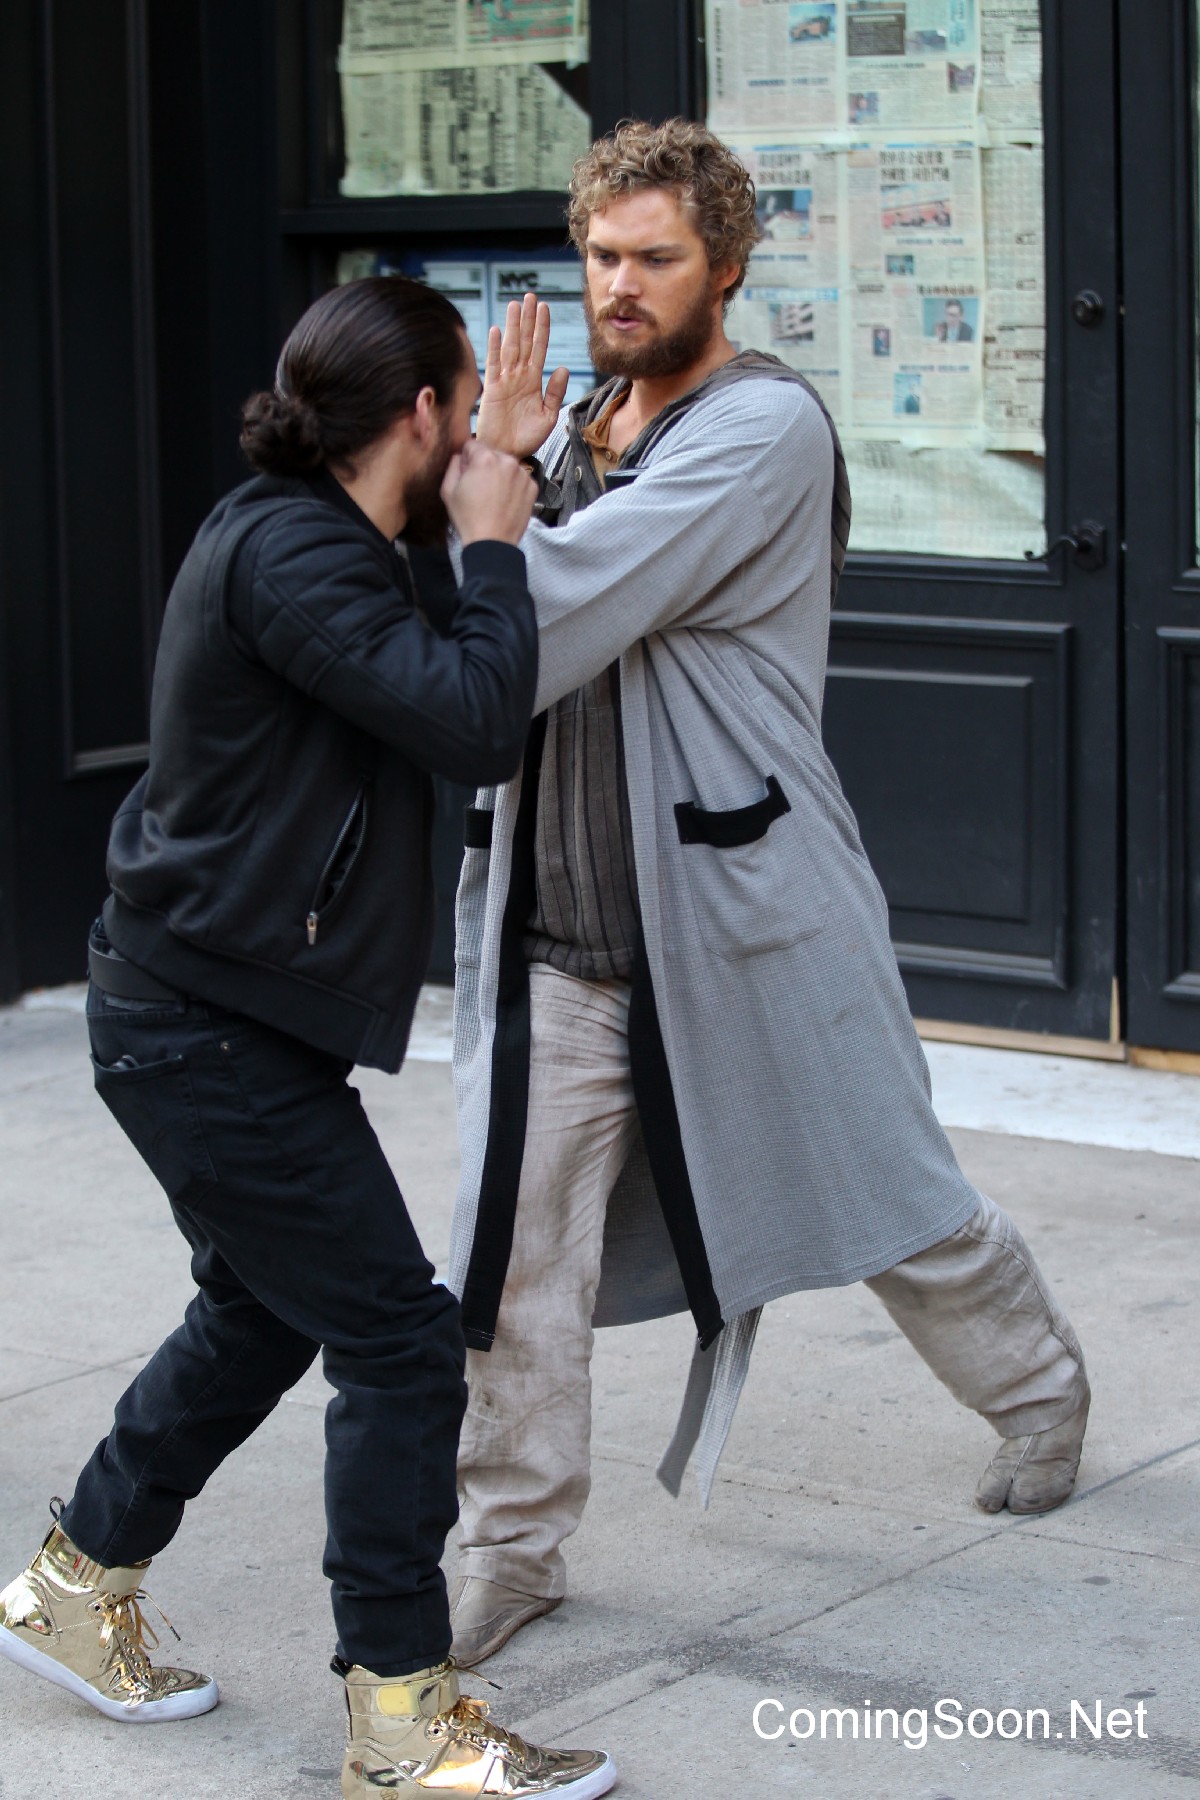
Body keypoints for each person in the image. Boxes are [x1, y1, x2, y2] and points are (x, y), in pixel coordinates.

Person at [445, 119, 1090, 1667]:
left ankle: (1040, 1388)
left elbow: (547, 611)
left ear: (725, 267)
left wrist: (487, 491)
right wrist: (514, 469)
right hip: (566, 937)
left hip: (751, 920)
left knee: (889, 1200)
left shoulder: (762, 433)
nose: (620, 285)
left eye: (656, 258)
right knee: (514, 1258)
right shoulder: (579, 426)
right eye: (601, 255)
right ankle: (509, 1549)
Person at [0, 278, 615, 1800]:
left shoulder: (337, 541)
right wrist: (493, 538)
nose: (480, 428)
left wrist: (501, 480)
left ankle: (76, 1583)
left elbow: (453, 657)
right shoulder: (292, 553)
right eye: (467, 401)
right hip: (200, 1028)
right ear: (420, 412)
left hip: (220, 1015)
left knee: (263, 1310)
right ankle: (403, 1718)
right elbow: (474, 723)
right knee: (401, 1344)